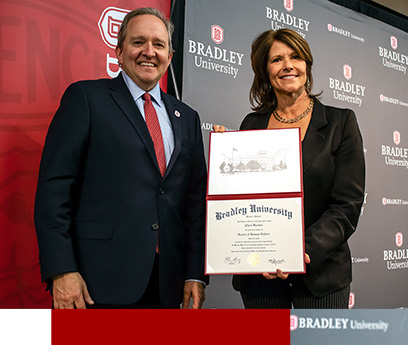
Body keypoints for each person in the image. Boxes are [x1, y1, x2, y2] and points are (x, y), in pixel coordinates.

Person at [34, 7, 208, 309]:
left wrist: (195, 273)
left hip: (166, 285)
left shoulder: (187, 118)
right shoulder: (86, 99)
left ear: (169, 55)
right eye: (138, 42)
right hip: (95, 283)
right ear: (119, 49)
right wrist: (61, 270)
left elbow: (194, 206)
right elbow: (54, 191)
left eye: (159, 44)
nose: (149, 52)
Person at [217, 28, 365, 309]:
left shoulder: (341, 123)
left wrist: (299, 251)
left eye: (295, 57)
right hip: (261, 275)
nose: (287, 65)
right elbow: (243, 201)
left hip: (321, 275)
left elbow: (347, 205)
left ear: (306, 64)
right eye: (276, 60)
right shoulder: (251, 124)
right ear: (264, 70)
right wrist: (225, 163)